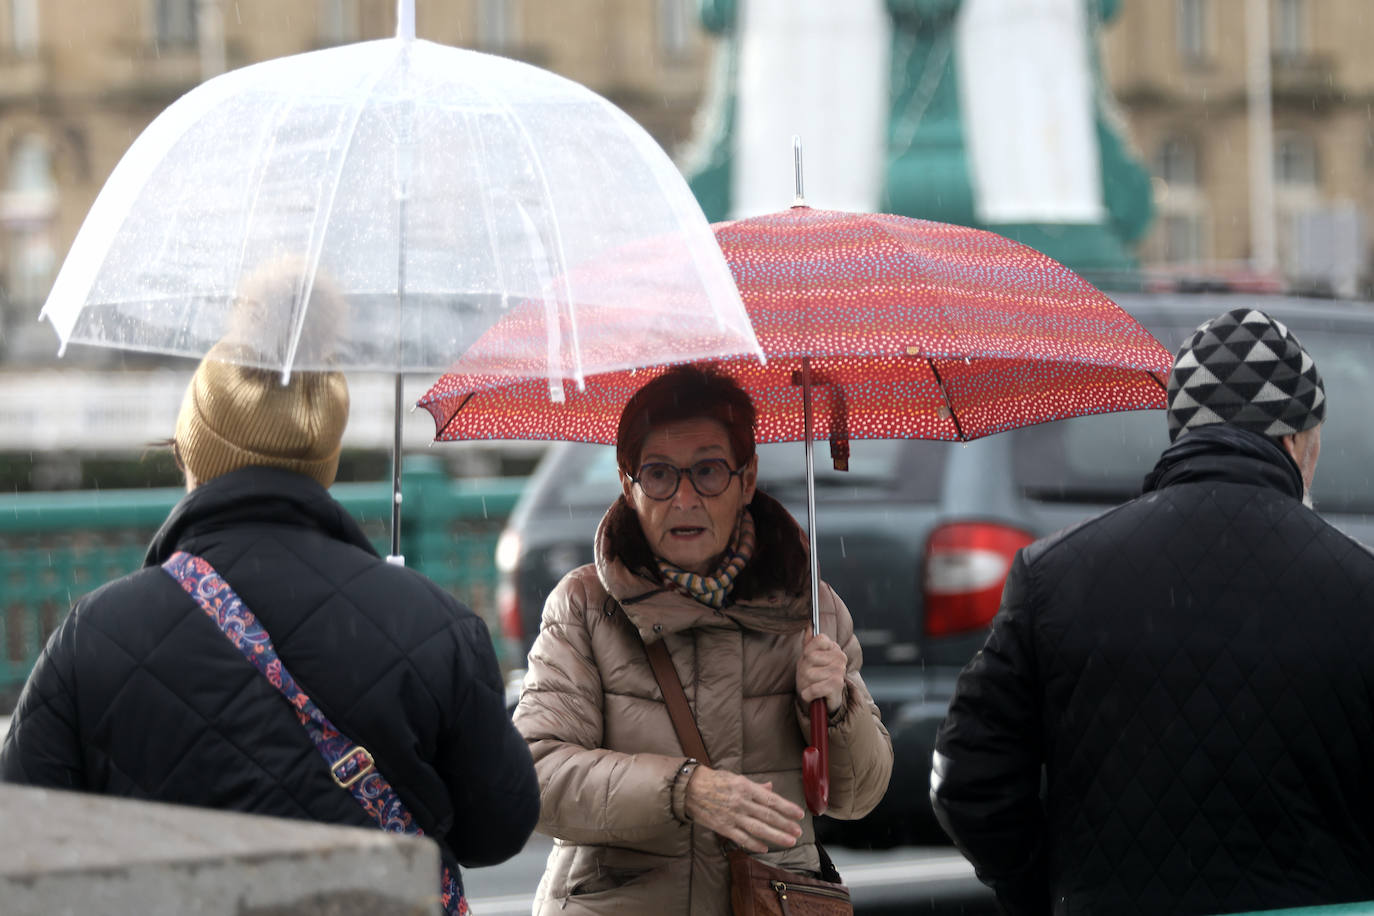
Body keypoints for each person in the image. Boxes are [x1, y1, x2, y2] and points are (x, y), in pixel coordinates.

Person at [0, 268, 539, 900]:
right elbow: (498, 828)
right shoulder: (436, 626)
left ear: (195, 455)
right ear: (323, 461)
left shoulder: (94, 634)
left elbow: (23, 843)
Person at [931, 307, 1374, 914]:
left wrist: (1041, 891)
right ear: (1296, 440)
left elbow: (965, 778)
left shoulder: (1054, 577)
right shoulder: (1361, 586)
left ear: (1182, 431)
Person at [512, 365, 893, 914]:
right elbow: (535, 777)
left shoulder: (811, 608)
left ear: (748, 478)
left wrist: (837, 709)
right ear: (628, 483)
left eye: (709, 471)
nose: (685, 498)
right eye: (660, 474)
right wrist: (683, 790)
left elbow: (860, 796)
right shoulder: (584, 607)